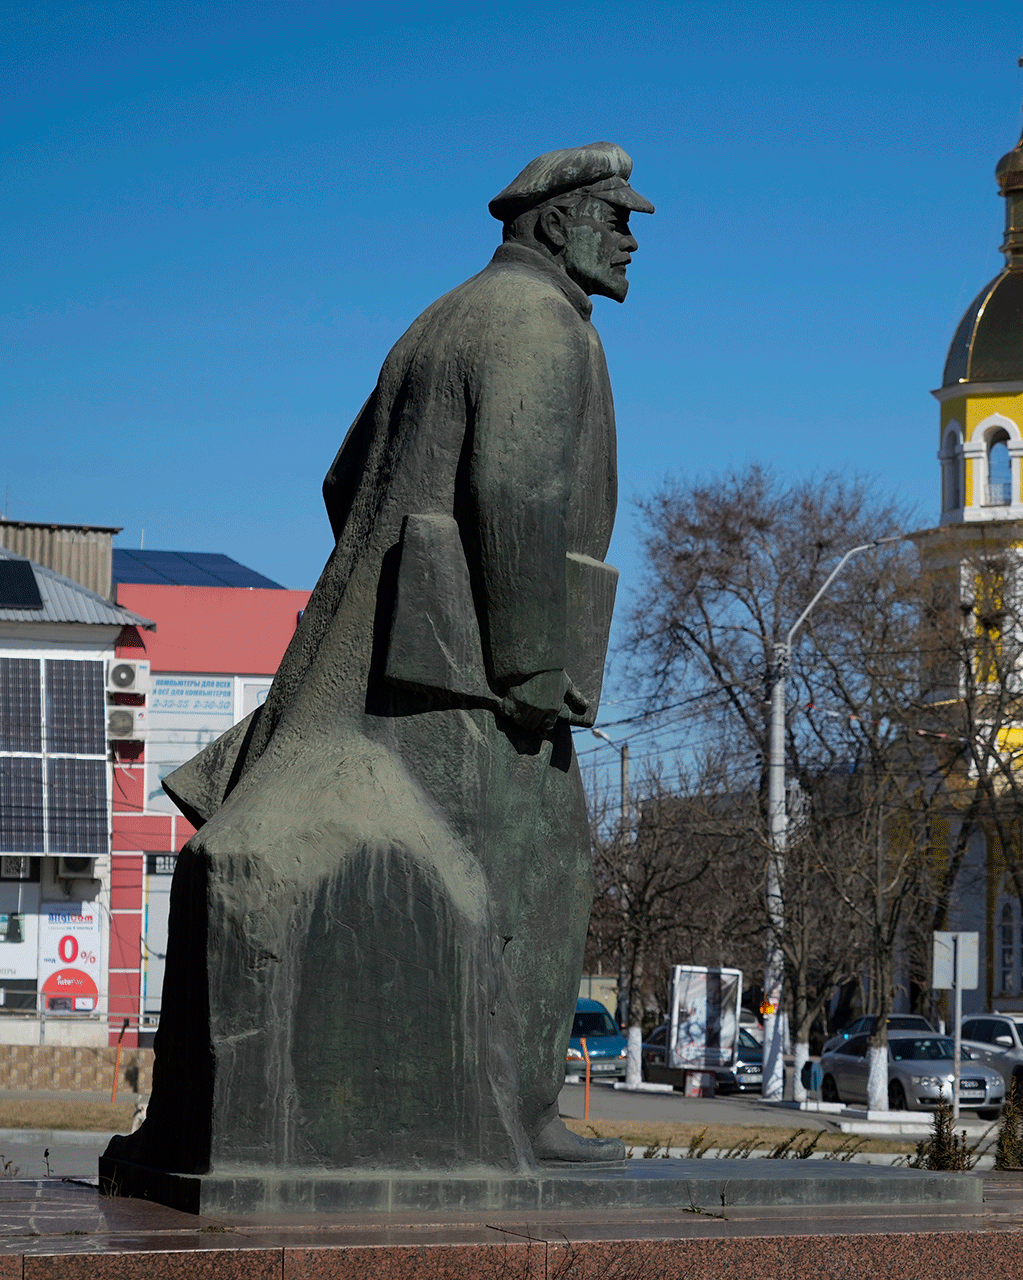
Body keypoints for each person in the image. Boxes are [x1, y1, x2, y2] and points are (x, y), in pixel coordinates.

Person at [104, 143, 651, 1180]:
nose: (629, 239)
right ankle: (519, 1113)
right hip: (475, 677)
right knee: (538, 870)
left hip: (384, 658)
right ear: (551, 221)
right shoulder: (540, 323)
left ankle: (504, 1108)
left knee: (505, 874)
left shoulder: (439, 319)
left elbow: (340, 479)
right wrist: (530, 665)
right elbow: (515, 494)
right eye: (614, 216)